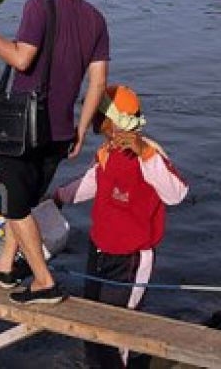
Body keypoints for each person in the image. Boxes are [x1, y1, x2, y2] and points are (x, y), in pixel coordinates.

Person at [0, 0, 109, 304]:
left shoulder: (38, 5)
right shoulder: (96, 18)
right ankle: (5, 265)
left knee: (13, 206)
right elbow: (99, 82)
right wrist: (81, 127)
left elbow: (21, 58)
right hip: (61, 131)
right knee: (25, 200)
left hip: (24, 130)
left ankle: (44, 282)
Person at [52, 85, 188, 368]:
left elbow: (176, 194)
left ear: (113, 120)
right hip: (99, 250)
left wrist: (144, 152)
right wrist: (58, 197)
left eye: (96, 115)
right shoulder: (105, 151)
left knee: (115, 331)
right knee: (92, 321)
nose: (90, 121)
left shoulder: (149, 154)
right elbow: (92, 181)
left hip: (131, 258)